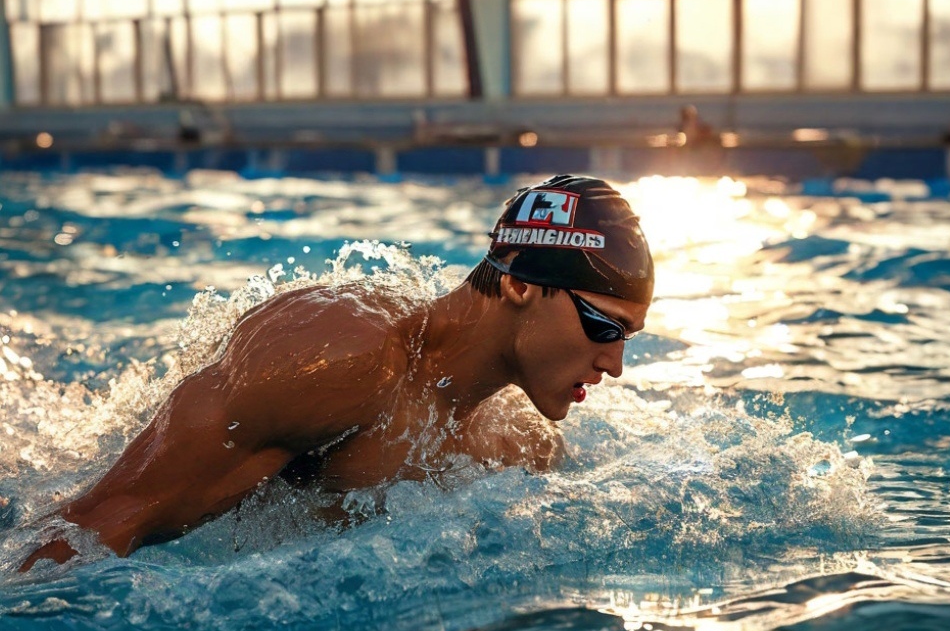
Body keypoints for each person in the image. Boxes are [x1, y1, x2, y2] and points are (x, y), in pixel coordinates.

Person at [20, 175, 654, 570]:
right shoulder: (339, 359)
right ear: (518, 282)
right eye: (605, 327)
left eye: (628, 338)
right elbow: (94, 526)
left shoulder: (518, 446)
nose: (615, 364)